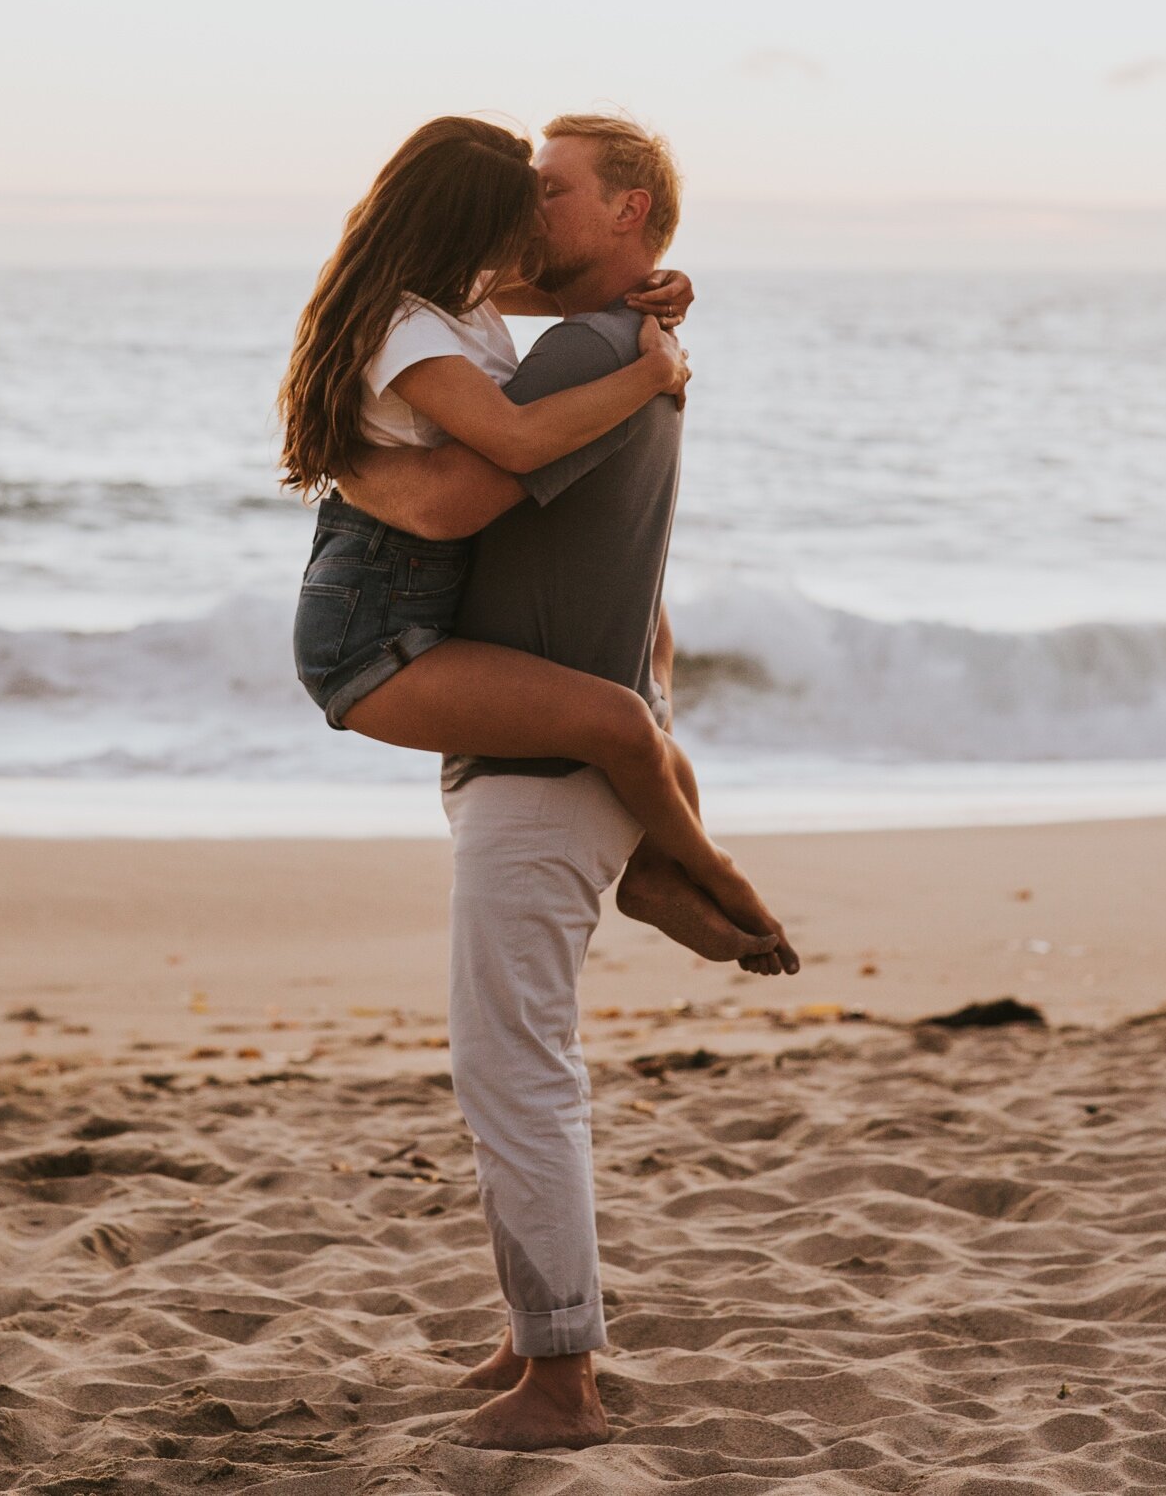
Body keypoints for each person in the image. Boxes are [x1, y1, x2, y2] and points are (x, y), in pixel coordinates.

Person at [327, 112, 800, 1452]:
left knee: (513, 1069)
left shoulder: (598, 358)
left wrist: (334, 455)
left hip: (546, 769)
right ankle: (534, 1334)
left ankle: (562, 1382)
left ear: (630, 210)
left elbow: (456, 494)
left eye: (555, 189)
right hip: (533, 742)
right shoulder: (606, 343)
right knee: (513, 1062)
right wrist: (652, 305)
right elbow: (490, 300)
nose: (528, 209)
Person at [277, 116, 795, 958]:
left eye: (545, 197)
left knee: (659, 729)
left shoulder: (455, 299)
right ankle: (718, 871)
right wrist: (650, 374)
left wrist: (662, 287)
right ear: (462, 223)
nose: (528, 227)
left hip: (421, 600)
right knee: (624, 727)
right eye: (519, 206)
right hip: (368, 636)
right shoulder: (407, 328)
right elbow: (515, 445)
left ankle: (660, 877)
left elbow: (564, 293)